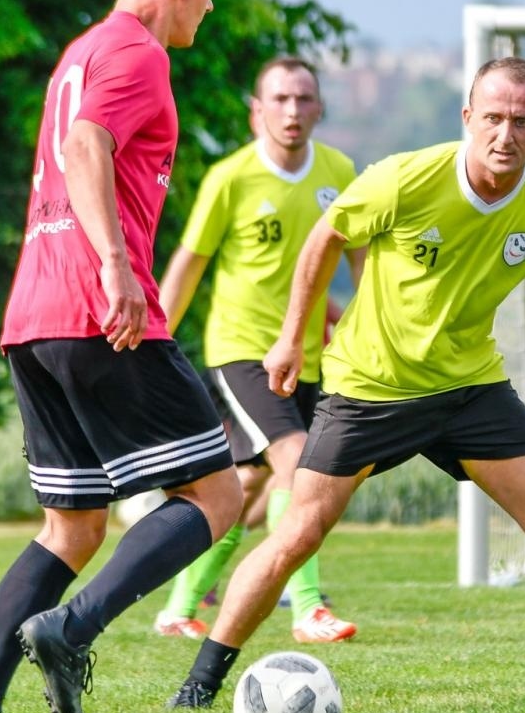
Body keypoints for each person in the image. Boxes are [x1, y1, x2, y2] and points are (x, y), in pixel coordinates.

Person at [166, 56, 525, 711]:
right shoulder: (405, 178)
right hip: (372, 385)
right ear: (468, 118)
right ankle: (198, 687)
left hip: (469, 387)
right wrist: (292, 336)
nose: (505, 134)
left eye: (522, 121)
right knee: (298, 532)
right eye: (493, 117)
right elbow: (325, 238)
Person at [0, 0, 242, 713]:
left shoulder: (81, 50)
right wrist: (115, 266)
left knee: (70, 528)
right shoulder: (138, 52)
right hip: (97, 309)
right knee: (217, 494)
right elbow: (83, 148)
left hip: (33, 316)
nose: (210, 4)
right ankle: (70, 632)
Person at [150, 56, 365, 644]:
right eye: (280, 99)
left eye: (303, 99)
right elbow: (189, 263)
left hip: (309, 356)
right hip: (242, 350)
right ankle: (308, 608)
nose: (292, 111)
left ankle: (180, 608)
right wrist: (153, 339)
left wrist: (368, 327)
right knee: (299, 465)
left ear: (319, 108)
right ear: (256, 111)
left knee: (246, 488)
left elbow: (362, 260)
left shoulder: (340, 172)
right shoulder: (231, 178)